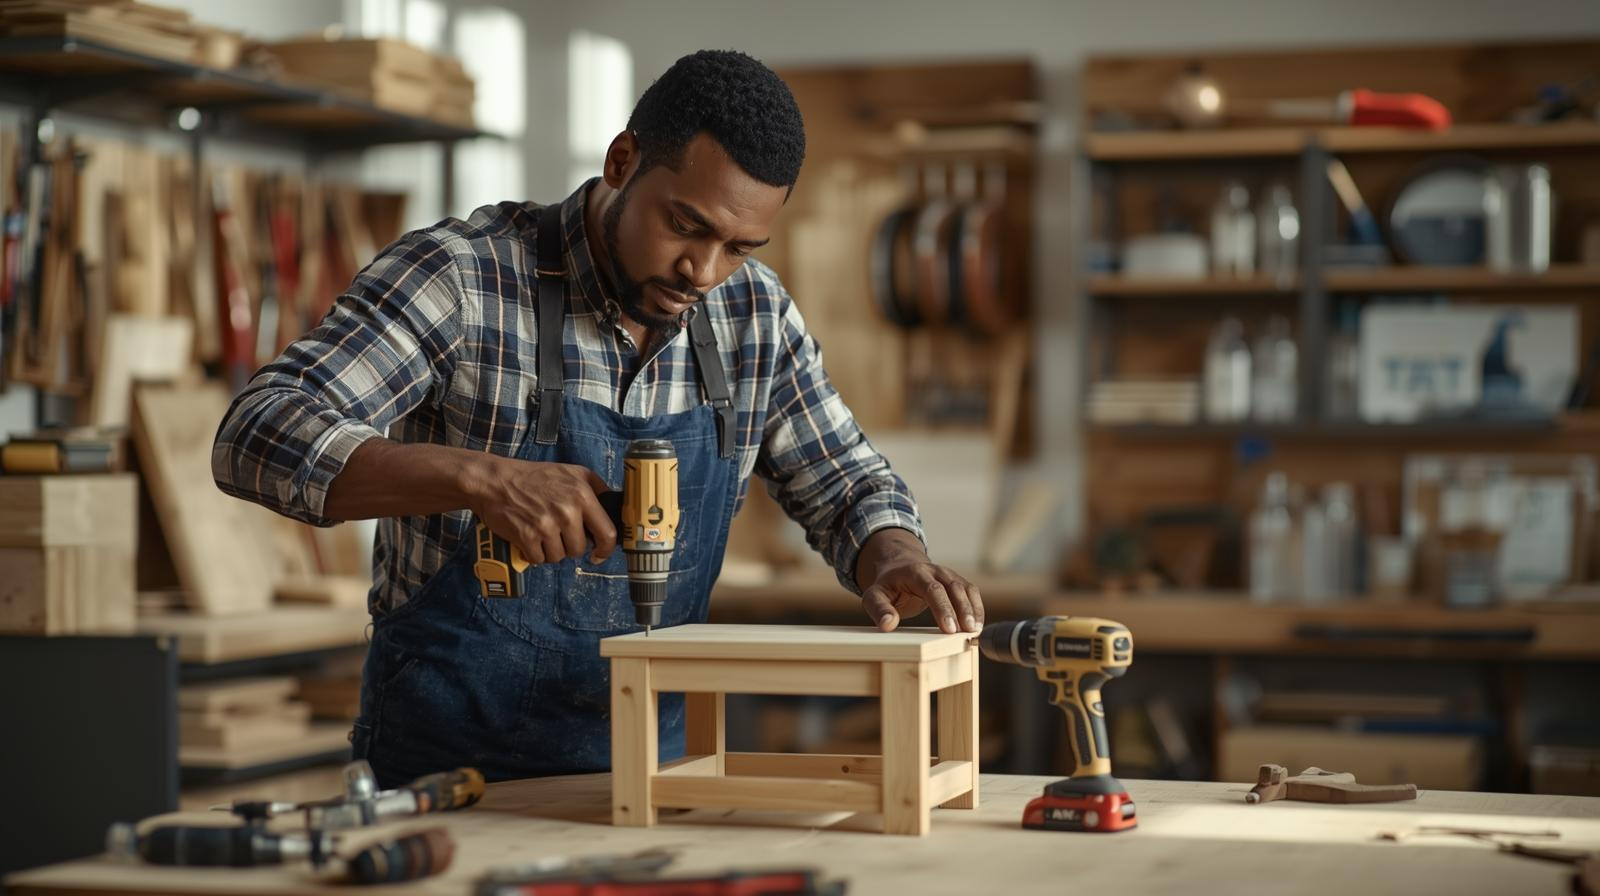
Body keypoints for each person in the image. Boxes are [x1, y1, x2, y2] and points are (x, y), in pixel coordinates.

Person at [212, 49, 984, 786]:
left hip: (656, 776)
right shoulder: (464, 279)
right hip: (447, 778)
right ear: (621, 162)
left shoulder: (752, 315)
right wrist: (480, 479)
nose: (702, 272)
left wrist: (893, 554)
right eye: (685, 226)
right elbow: (259, 432)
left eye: (738, 248)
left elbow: (844, 480)